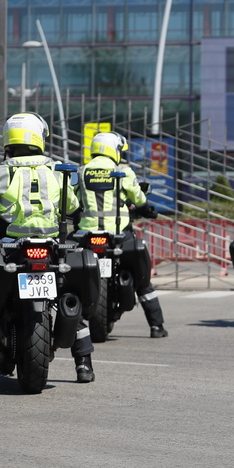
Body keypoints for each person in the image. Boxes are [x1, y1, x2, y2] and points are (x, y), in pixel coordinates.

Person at [0, 113, 95, 382]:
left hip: (11, 245)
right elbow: (72, 207)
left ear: (8, 137)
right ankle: (83, 363)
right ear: (39, 136)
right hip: (50, 245)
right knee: (68, 294)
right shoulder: (55, 169)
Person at [76, 132, 167, 339]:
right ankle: (156, 326)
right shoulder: (122, 171)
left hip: (88, 234)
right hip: (119, 234)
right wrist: (146, 209)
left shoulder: (82, 171)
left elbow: (73, 200)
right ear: (114, 150)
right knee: (142, 279)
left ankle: (73, 323)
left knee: (73, 274)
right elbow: (138, 197)